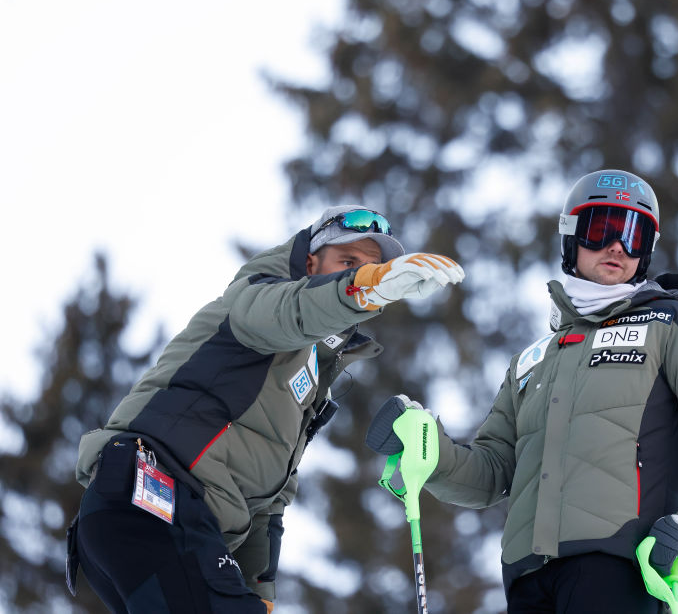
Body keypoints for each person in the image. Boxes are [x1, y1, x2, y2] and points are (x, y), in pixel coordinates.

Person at [366, 169, 678, 613]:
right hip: (528, 578)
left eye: (633, 235)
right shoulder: (533, 360)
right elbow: (494, 471)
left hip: (618, 565)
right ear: (571, 237)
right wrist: (429, 450)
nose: (617, 246)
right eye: (602, 229)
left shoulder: (671, 326)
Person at [67, 205, 464, 613]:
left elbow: (270, 496)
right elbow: (288, 311)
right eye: (347, 262)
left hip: (183, 526)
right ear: (310, 261)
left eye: (371, 267)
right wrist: (365, 287)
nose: (357, 272)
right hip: (152, 494)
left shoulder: (310, 374)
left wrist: (260, 590)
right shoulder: (256, 299)